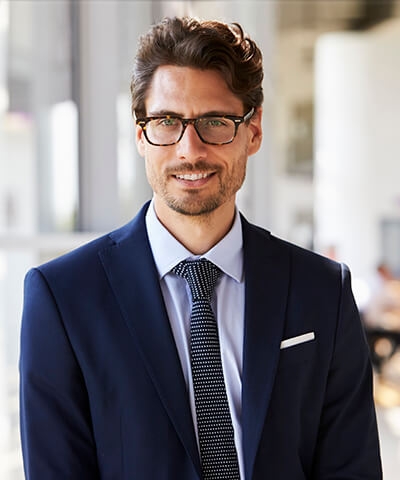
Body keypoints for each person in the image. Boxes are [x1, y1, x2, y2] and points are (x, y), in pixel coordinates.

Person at [19, 16, 382, 479]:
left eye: (215, 122)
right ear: (139, 134)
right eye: (167, 121)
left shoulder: (323, 292)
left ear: (253, 132)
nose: (190, 149)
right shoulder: (63, 298)